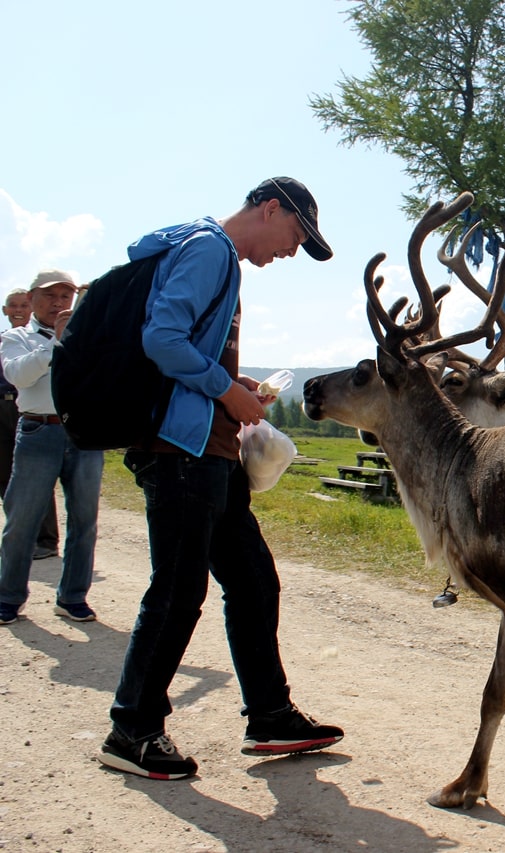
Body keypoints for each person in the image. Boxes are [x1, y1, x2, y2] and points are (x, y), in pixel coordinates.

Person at [100, 177, 344, 781]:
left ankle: (269, 715)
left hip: (212, 451)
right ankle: (131, 729)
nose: (291, 251)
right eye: (295, 234)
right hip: (179, 451)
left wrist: (239, 394)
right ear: (269, 209)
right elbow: (162, 339)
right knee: (179, 590)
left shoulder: (220, 260)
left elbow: (189, 349)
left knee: (255, 580)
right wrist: (227, 390)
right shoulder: (209, 249)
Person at [0, 271, 104, 626]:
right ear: (32, 299)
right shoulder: (16, 337)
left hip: (82, 434)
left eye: (66, 296)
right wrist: (54, 343)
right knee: (22, 519)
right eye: (51, 296)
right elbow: (19, 376)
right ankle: (8, 598)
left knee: (85, 520)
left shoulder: (88, 337)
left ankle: (73, 597)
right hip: (38, 430)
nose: (59, 303)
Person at [1, 289, 60, 560]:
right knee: (6, 473)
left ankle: (45, 539)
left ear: (32, 307)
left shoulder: (42, 338)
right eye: (12, 305)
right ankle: (21, 534)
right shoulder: (7, 340)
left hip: (27, 410)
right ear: (4, 311)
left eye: (23, 305)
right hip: (4, 406)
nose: (17, 310)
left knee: (35, 473)